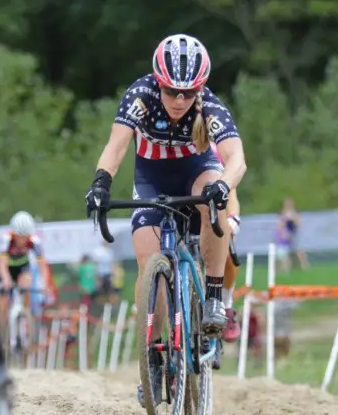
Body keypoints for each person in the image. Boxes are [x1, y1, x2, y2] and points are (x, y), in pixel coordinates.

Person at [84, 34, 247, 408]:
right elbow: (117, 145)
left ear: (200, 89)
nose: (179, 100)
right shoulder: (139, 97)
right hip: (152, 178)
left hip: (197, 171)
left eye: (188, 93)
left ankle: (214, 297)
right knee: (149, 269)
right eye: (172, 90)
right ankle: (154, 359)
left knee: (213, 202)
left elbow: (235, 158)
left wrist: (223, 185)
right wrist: (101, 183)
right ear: (158, 82)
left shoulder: (209, 106)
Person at [0, 211, 50, 343]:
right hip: (7, 268)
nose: (22, 240)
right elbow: (2, 264)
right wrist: (6, 279)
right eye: (20, 237)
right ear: (14, 234)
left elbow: (43, 266)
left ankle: (25, 316)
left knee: (26, 285)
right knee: (3, 302)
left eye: (25, 237)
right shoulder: (6, 239)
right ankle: (0, 333)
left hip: (22, 267)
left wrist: (45, 284)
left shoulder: (34, 241)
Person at [210, 141, 242, 343]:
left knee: (227, 252)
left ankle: (227, 304)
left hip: (214, 208)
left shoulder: (215, 150)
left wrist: (233, 219)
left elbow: (231, 193)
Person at [276, 198, 310, 271]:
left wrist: (291, 219)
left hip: (294, 233)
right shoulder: (282, 213)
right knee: (282, 252)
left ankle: (305, 266)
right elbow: (280, 225)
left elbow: (298, 223)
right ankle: (283, 268)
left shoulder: (294, 213)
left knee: (299, 250)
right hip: (285, 235)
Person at [90, 239, 118, 304]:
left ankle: (109, 305)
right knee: (99, 292)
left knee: (109, 291)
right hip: (99, 274)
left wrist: (113, 275)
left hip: (108, 274)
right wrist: (96, 277)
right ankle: (98, 306)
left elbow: (111, 264)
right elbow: (95, 264)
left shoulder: (110, 251)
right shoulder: (97, 251)